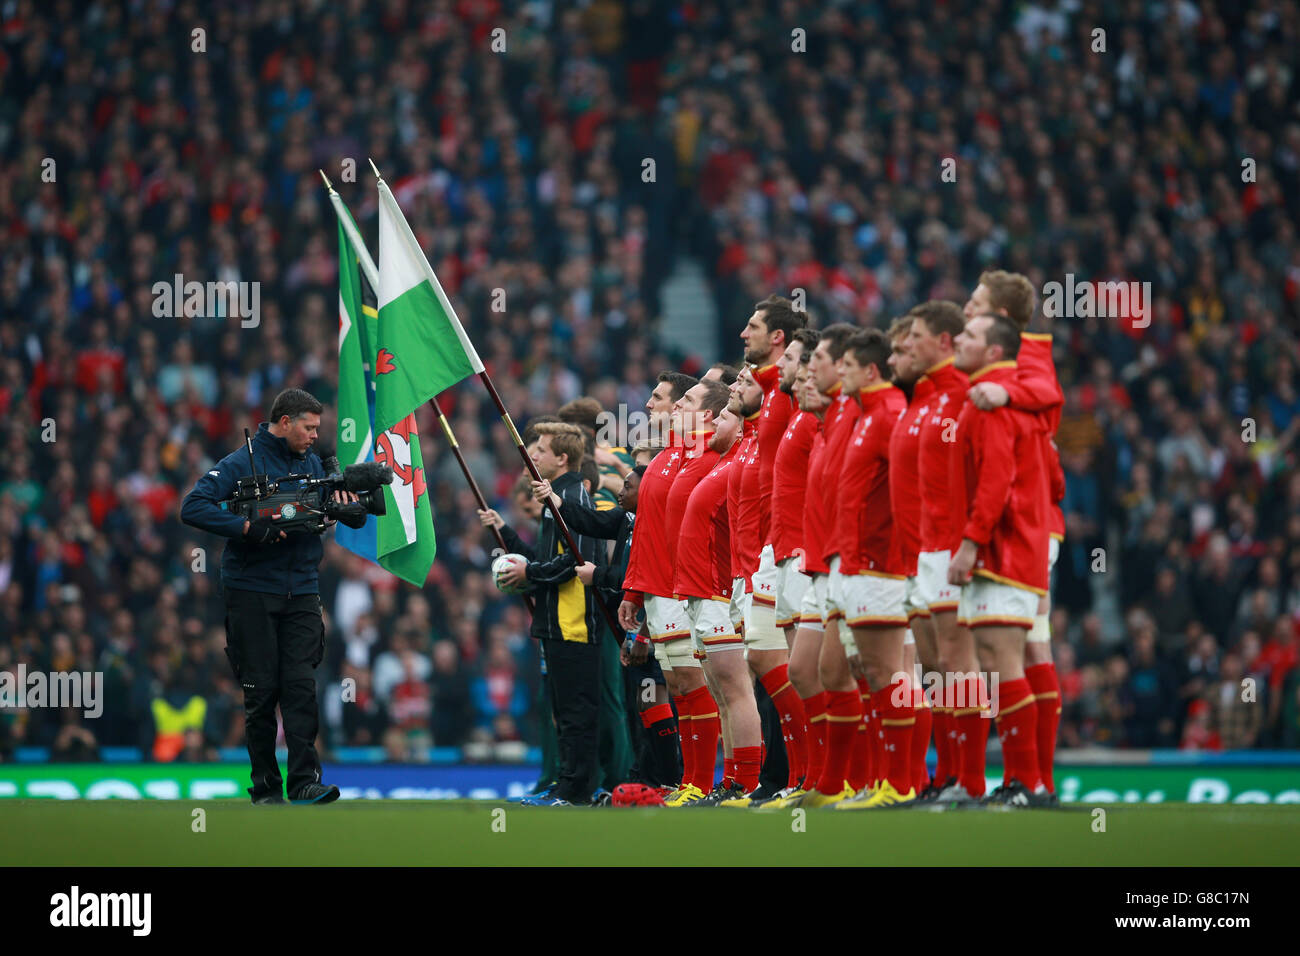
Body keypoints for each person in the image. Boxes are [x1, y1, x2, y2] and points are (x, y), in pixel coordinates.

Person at [180, 387, 362, 805]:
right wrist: (247, 528)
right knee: (260, 692)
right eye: (309, 427)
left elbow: (315, 514)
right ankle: (265, 787)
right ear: (284, 423)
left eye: (319, 428)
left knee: (301, 686)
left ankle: (304, 782)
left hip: (301, 587)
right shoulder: (240, 461)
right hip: (251, 590)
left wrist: (342, 510)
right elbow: (193, 506)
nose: (316, 435)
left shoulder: (314, 463)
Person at [482, 422, 607, 806]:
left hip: (574, 623)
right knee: (563, 712)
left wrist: (529, 573)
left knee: (575, 712)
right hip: (557, 622)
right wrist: (512, 542)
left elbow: (575, 561)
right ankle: (566, 783)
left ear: (562, 458)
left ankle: (577, 790)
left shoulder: (573, 500)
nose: (533, 455)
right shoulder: (557, 499)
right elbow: (549, 559)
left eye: (541, 449)